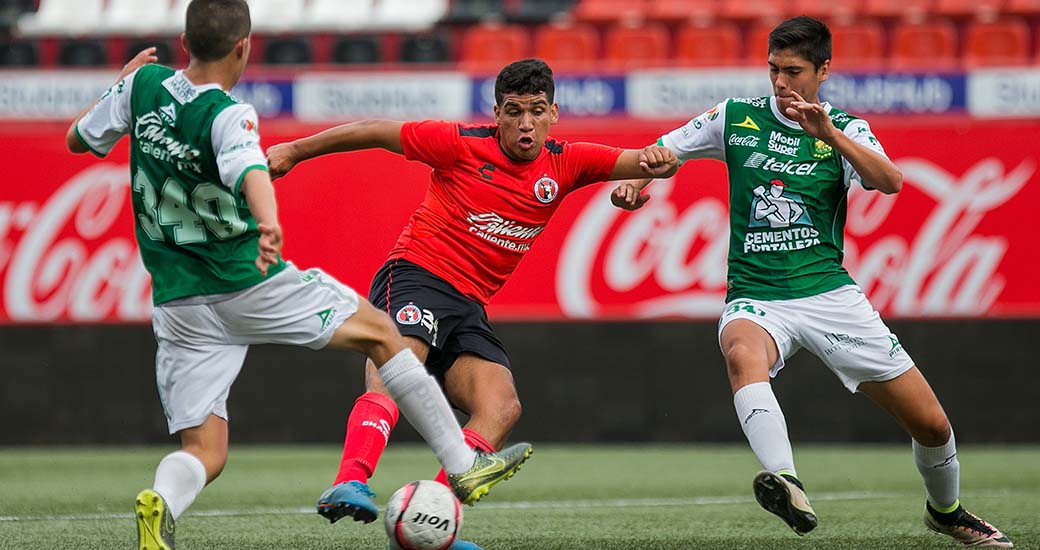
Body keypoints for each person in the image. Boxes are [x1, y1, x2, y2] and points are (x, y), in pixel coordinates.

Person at [65, 2, 531, 549]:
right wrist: (268, 223)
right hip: (247, 281)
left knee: (205, 451)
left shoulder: (140, 86)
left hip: (177, 303)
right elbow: (251, 171)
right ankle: (462, 465)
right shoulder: (228, 114)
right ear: (243, 47)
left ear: (184, 42)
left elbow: (78, 139)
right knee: (383, 335)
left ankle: (162, 502)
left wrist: (119, 85)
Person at [610, 16, 1013, 547]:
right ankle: (787, 481)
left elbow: (890, 181)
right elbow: (662, 153)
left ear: (823, 70)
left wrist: (830, 136)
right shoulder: (734, 117)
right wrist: (635, 182)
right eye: (773, 69)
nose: (781, 82)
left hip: (830, 295)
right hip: (756, 295)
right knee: (741, 354)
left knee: (933, 427)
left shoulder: (845, 127)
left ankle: (946, 511)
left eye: (794, 71)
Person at [267, 59, 678, 550]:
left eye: (536, 111)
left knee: (500, 406)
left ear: (553, 114)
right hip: (417, 274)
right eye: (514, 111)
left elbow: (656, 160)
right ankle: (350, 480)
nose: (525, 123)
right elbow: (375, 130)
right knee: (397, 366)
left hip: (468, 305)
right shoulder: (458, 143)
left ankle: (432, 517)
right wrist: (295, 149)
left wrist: (641, 182)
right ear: (497, 114)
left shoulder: (568, 161)